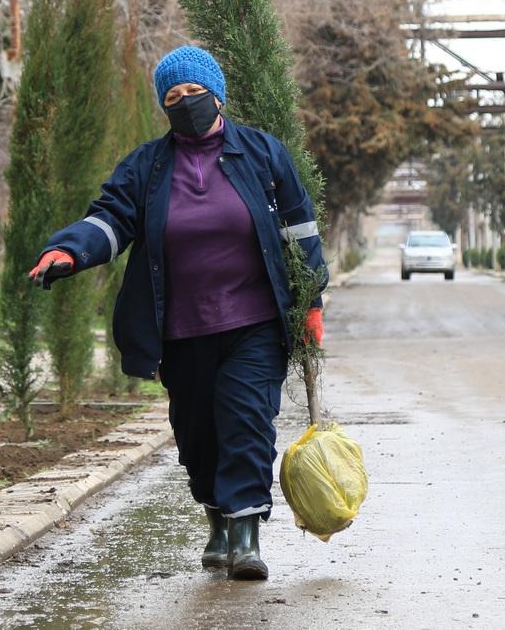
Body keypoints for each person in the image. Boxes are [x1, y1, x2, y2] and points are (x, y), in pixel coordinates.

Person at [29, 45, 327, 581]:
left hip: (254, 323)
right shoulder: (146, 166)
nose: (185, 102)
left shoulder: (262, 154)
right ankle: (217, 520)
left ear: (218, 95)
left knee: (247, 424)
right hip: (181, 330)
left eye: (194, 92)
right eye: (173, 96)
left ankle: (245, 538)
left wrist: (311, 302)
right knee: (198, 435)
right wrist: (70, 250)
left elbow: (299, 228)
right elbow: (111, 218)